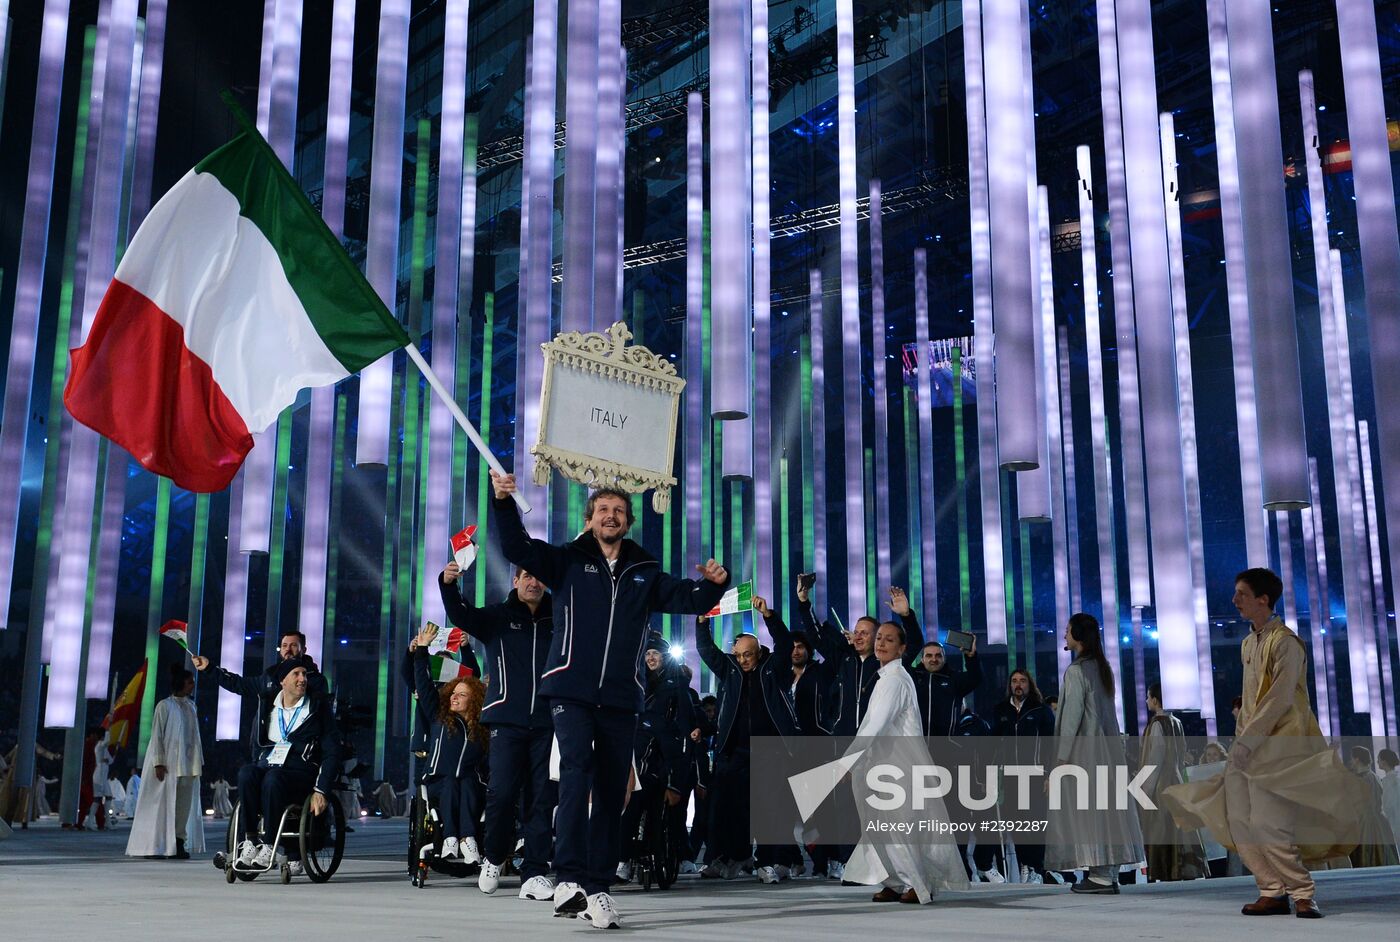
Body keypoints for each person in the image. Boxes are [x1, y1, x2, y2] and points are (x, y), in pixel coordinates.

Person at [490, 471, 729, 929]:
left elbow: (688, 597)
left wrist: (716, 585)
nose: (610, 516)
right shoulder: (566, 561)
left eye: (618, 511)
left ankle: (598, 887)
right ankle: (568, 878)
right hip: (569, 690)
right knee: (577, 769)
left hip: (622, 697)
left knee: (612, 791)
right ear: (590, 519)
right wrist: (503, 504)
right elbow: (518, 548)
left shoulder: (644, 571)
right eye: (603, 510)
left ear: (628, 521)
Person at [1164, 568, 1365, 919]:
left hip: (1280, 747)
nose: (1234, 600)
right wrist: (1240, 742)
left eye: (1241, 593)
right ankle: (1270, 889)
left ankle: (1302, 892)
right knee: (1238, 818)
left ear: (1263, 599)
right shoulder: (1249, 642)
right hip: (1247, 746)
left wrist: (1249, 742)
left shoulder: (1285, 641)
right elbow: (1250, 700)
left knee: (1270, 822)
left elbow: (1280, 697)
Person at [438, 560, 557, 900]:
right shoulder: (497, 618)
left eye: (539, 577)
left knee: (540, 798)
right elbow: (461, 616)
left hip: (548, 721)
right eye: (527, 575)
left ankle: (534, 872)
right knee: (502, 794)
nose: (534, 582)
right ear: (516, 580)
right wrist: (448, 585)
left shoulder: (559, 619)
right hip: (506, 719)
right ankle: (493, 856)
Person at [842, 621, 970, 904]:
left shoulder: (896, 679)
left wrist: (848, 759)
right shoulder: (884, 677)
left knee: (902, 823)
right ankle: (894, 880)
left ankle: (918, 882)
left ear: (901, 648)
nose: (881, 643)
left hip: (900, 764)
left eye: (889, 640)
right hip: (881, 763)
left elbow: (876, 725)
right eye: (880, 639)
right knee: (878, 823)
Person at [696, 602, 802, 883]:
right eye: (739, 654)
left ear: (759, 653)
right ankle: (726, 858)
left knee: (769, 807)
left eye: (748, 655)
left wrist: (769, 615)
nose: (743, 660)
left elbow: (785, 643)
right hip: (733, 751)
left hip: (771, 750)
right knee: (727, 808)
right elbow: (706, 651)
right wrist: (702, 623)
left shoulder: (773, 668)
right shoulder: (728, 668)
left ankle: (767, 862)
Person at [1044, 613, 1145, 894]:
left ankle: (1099, 876)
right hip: (1109, 753)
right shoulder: (1102, 668)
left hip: (1085, 755)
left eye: (1067, 631)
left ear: (1077, 635)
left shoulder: (1076, 672)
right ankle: (1107, 874)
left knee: (1088, 813)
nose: (1064, 635)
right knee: (1108, 811)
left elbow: (1071, 720)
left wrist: (1060, 762)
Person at [227, 661, 340, 876]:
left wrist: (321, 790)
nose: (302, 679)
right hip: (271, 765)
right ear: (282, 681)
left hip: (301, 773)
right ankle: (250, 841)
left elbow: (332, 751)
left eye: (304, 674)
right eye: (296, 674)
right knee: (247, 773)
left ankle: (269, 845)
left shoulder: (317, 707)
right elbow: (238, 685)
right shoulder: (268, 705)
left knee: (273, 779)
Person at [406, 624, 490, 866]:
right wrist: (421, 650)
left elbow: (471, 674)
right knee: (454, 782)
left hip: (471, 784)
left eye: (461, 694)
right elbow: (422, 682)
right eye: (453, 693)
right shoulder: (439, 717)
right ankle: (453, 837)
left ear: (473, 699)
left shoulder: (482, 726)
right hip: (438, 783)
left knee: (465, 782)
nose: (454, 696)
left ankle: (467, 839)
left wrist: (465, 649)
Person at [617, 632, 696, 883]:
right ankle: (621, 858)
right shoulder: (636, 682)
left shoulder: (677, 685)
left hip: (663, 756)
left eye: (655, 654)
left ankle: (638, 855)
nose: (651, 658)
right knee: (627, 803)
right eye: (648, 654)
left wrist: (675, 780)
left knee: (645, 800)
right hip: (635, 751)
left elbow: (684, 725)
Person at [126, 665, 205, 859]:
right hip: (168, 765)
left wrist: (197, 762)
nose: (193, 685)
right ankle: (154, 846)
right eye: (189, 682)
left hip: (187, 765)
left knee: (183, 806)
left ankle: (178, 842)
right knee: (161, 805)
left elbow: (195, 737)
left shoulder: (191, 706)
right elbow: (157, 736)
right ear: (180, 683)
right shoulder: (164, 706)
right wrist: (159, 762)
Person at [989, 669, 1056, 882]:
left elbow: (1051, 745)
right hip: (1010, 775)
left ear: (1030, 684)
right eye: (1015, 681)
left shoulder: (1041, 710)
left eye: (1023, 681)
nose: (1018, 684)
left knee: (1035, 823)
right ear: (1009, 685)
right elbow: (992, 745)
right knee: (1016, 824)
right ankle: (1026, 865)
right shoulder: (1000, 710)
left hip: (1035, 773)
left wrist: (1049, 774)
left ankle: (1036, 867)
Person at [1139, 682, 1206, 881]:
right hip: (1176, 778)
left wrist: (1145, 788)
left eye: (1148, 696)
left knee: (1161, 829)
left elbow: (1155, 758)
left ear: (1155, 699)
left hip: (1161, 784)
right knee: (1179, 829)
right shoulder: (1176, 722)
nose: (1146, 700)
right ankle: (1184, 868)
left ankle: (1167, 870)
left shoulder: (1157, 725)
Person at [911, 638, 981, 738]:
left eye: (938, 655)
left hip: (946, 746)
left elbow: (976, 678)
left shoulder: (954, 679)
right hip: (916, 746)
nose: (934, 659)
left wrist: (971, 656)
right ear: (922, 659)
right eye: (929, 656)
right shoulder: (911, 677)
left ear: (944, 659)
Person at [1346, 746, 1398, 868]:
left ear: (1357, 759)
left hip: (1364, 822)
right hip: (1378, 822)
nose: (1351, 761)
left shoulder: (1362, 779)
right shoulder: (1373, 776)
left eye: (1352, 758)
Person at [1380, 749, 1400, 856]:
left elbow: (1387, 805)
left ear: (1384, 762)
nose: (1378, 762)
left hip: (1392, 822)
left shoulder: (1386, 782)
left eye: (1379, 760)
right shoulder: (1396, 779)